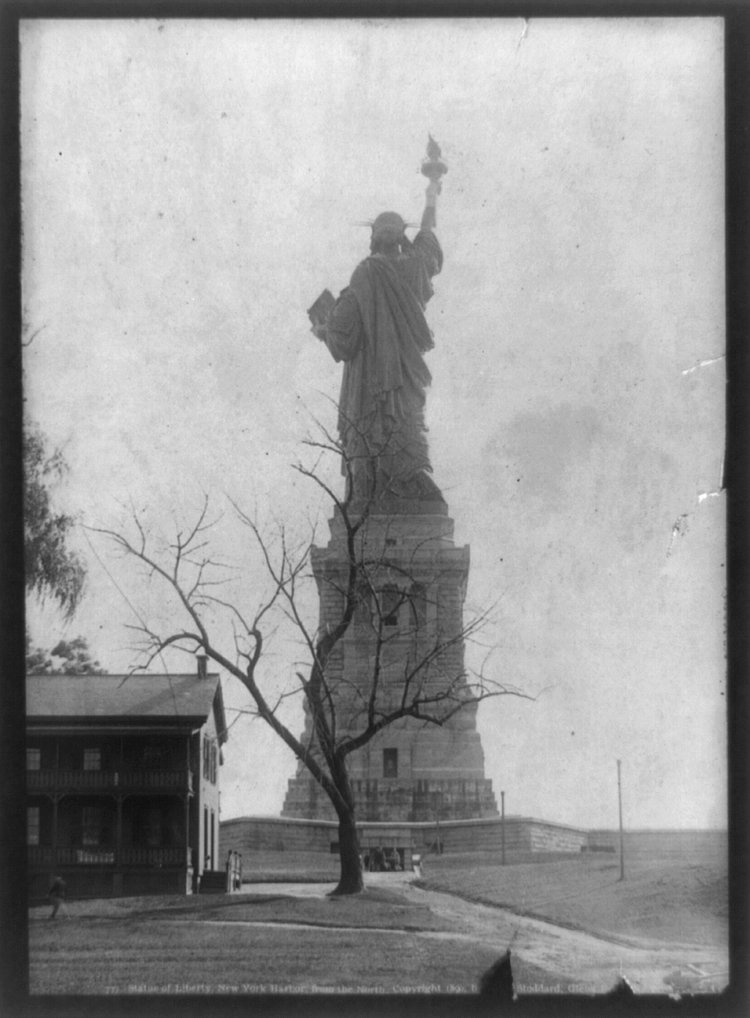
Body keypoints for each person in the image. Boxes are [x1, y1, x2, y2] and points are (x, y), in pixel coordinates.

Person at [312, 179, 445, 506]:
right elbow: (427, 241)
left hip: (368, 386)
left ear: (373, 238)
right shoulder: (412, 267)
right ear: (401, 238)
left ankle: (367, 495)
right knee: (408, 433)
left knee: (368, 434)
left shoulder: (365, 273)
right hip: (404, 380)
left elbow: (343, 333)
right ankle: (409, 488)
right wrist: (431, 195)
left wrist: (323, 329)